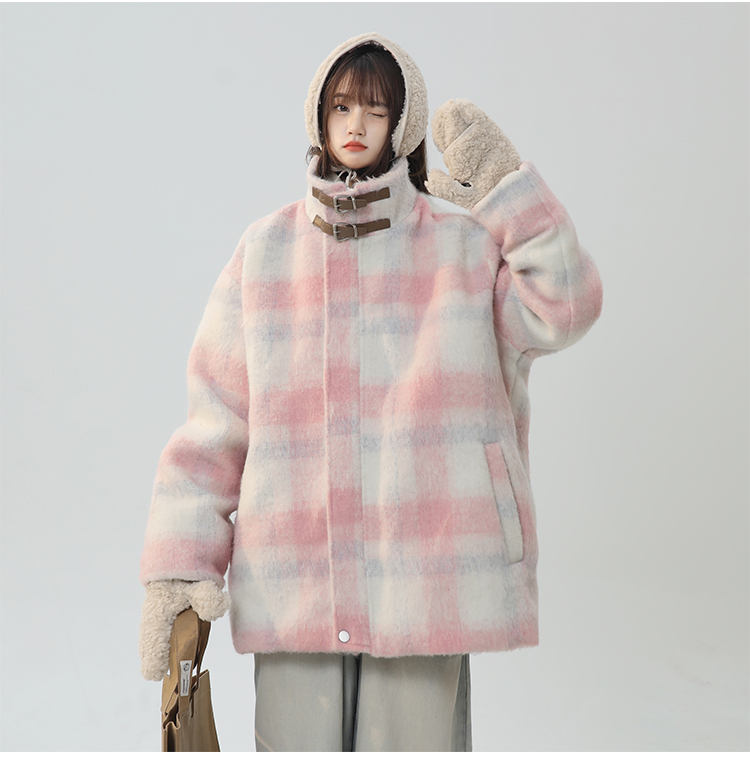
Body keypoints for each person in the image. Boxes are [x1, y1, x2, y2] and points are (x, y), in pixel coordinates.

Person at [138, 32, 603, 752]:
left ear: (402, 126)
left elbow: (565, 306)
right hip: (292, 584)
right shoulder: (264, 253)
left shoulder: (463, 247)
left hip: (430, 580)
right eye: (342, 107)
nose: (356, 125)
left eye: (376, 111)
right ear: (318, 116)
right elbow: (212, 433)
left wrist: (507, 195)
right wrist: (179, 572)